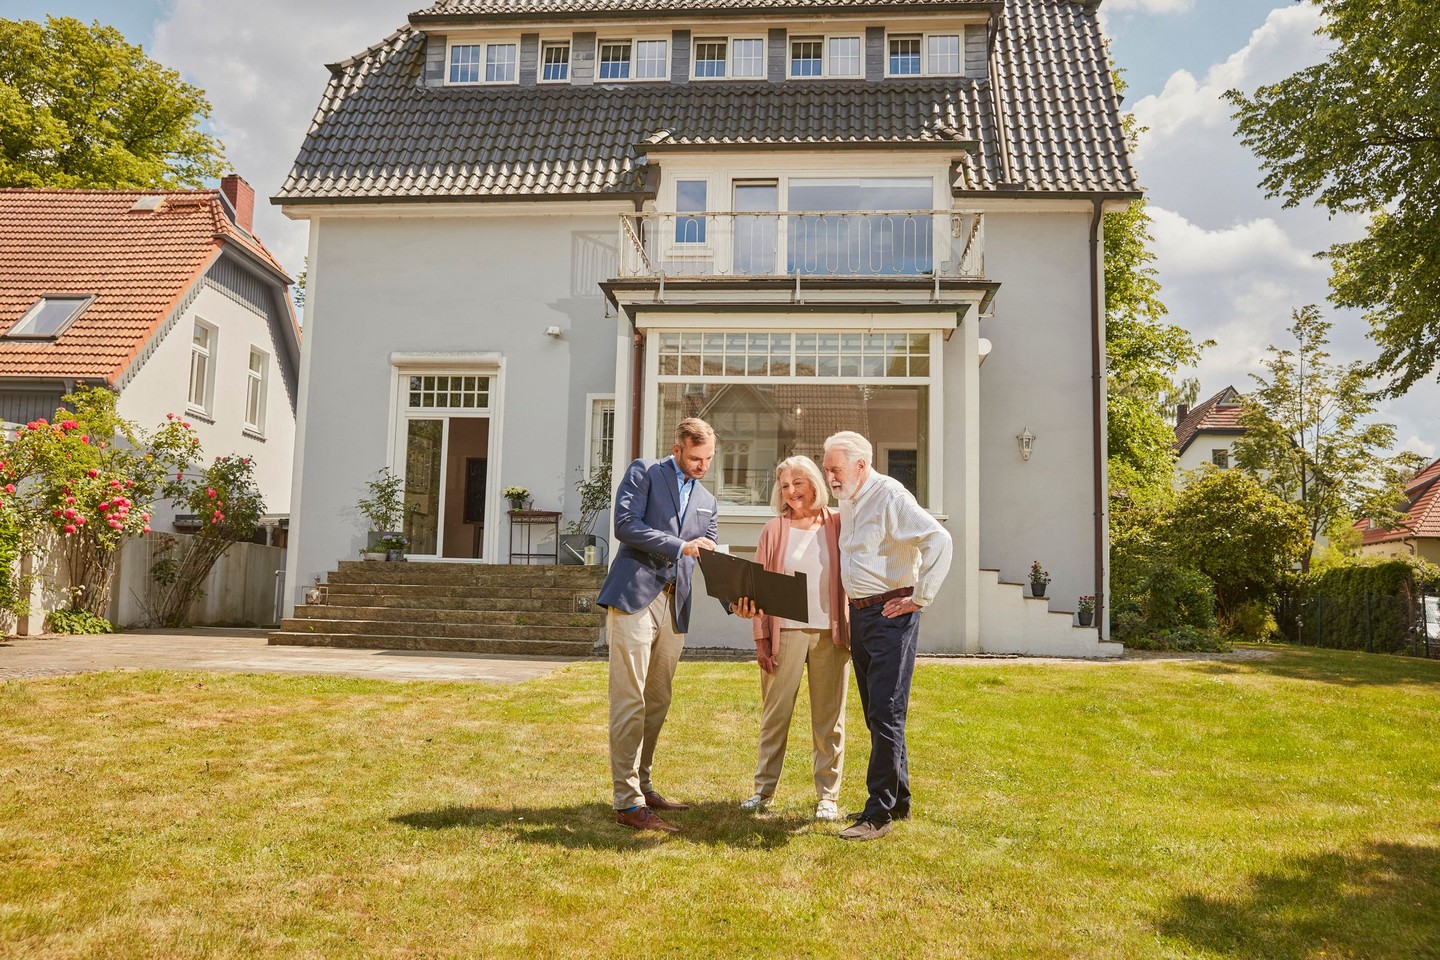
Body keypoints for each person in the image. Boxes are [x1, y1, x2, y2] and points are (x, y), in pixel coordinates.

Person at [821, 430, 951, 841]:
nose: (830, 478)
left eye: (836, 469)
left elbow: (939, 539)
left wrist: (920, 597)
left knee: (887, 712)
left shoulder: (890, 495)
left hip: (891, 614)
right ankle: (901, 800)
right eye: (827, 470)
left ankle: (877, 813)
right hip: (862, 616)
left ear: (861, 465)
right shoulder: (849, 497)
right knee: (879, 712)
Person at [598, 418, 719, 832]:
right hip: (635, 597)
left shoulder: (708, 501)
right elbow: (625, 526)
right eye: (695, 458)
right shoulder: (645, 472)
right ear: (678, 448)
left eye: (708, 459)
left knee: (658, 700)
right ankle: (626, 801)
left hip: (675, 605)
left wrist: (738, 592)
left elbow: (709, 555)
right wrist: (681, 545)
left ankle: (644, 785)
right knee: (629, 699)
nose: (701, 465)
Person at [728, 455, 851, 821]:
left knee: (829, 719)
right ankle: (762, 791)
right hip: (787, 635)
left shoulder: (839, 524)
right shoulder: (774, 530)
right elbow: (760, 592)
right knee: (774, 715)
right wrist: (762, 640)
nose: (792, 491)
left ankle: (828, 795)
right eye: (784, 486)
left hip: (830, 634)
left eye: (798, 483)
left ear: (814, 484)